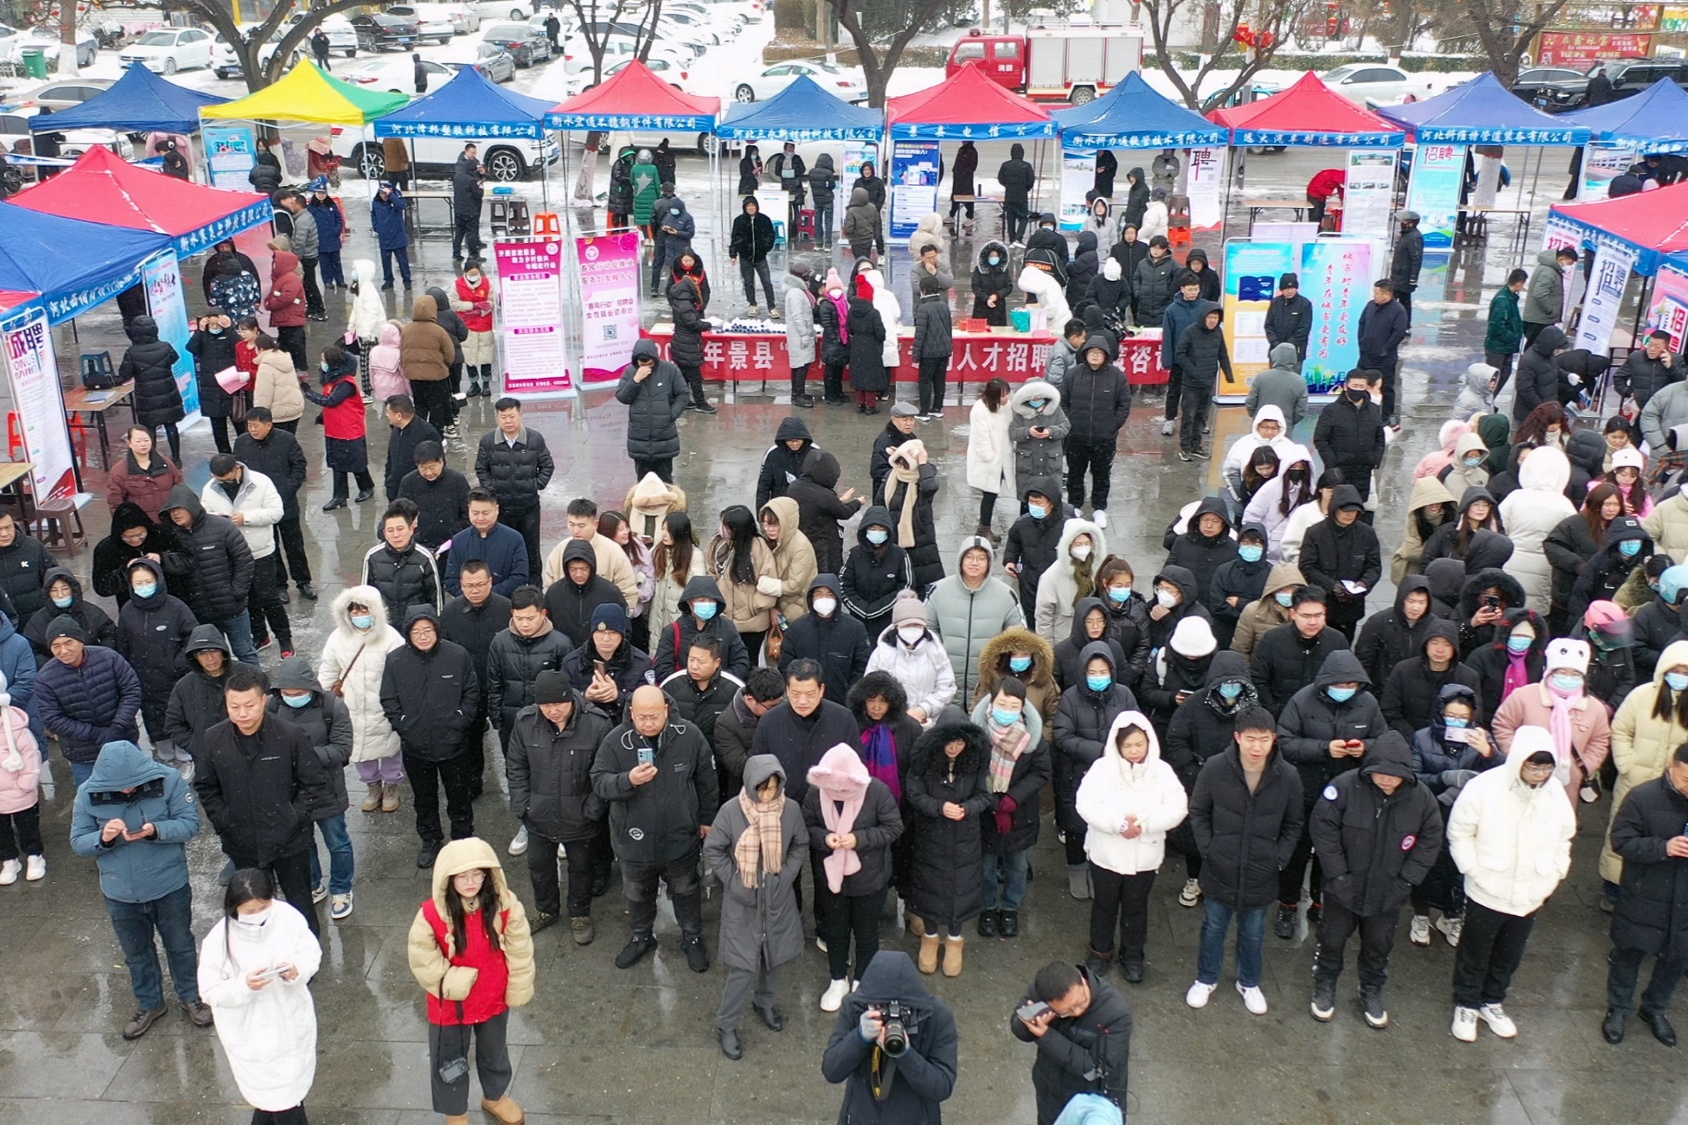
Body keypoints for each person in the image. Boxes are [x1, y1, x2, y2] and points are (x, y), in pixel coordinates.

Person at [70, 738, 210, 1037]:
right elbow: (79, 842)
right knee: (136, 954)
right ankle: (150, 1003)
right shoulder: (87, 794)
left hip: (169, 886)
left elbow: (190, 824)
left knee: (181, 946)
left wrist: (156, 830)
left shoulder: (170, 780)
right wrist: (103, 838)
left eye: (133, 786)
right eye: (120, 789)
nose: (127, 792)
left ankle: (191, 997)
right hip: (120, 893)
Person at [1446, 726, 1576, 1042]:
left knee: (1510, 952)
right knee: (1475, 951)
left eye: (1546, 767)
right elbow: (1460, 832)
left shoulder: (1555, 793)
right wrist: (1473, 869)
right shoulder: (1484, 787)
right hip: (1487, 889)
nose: (1540, 773)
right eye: (1534, 766)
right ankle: (1466, 1003)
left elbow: (1565, 835)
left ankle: (1492, 1000)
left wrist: (1555, 872)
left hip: (1531, 893)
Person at [1308, 730, 1443, 1028]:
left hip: (1388, 891)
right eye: (1380, 772)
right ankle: (1325, 984)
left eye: (1394, 775)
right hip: (1343, 888)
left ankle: (1371, 989)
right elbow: (1323, 828)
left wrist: (1406, 880)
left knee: (1379, 944)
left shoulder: (1421, 800)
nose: (1386, 779)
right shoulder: (1343, 787)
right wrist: (1338, 874)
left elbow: (1430, 840)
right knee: (1331, 939)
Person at [406, 838, 533, 1125]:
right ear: (448, 879)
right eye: (462, 876)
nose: (470, 882)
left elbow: (520, 947)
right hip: (450, 1006)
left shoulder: (505, 905)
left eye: (477, 874)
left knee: (495, 1052)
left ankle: (495, 1096)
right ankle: (456, 1113)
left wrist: (518, 985)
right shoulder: (430, 914)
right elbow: (422, 958)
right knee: (448, 1062)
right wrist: (451, 981)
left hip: (493, 996)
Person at [1185, 705, 1302, 1015]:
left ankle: (1249, 982)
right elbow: (1198, 811)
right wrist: (1209, 849)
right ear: (1237, 737)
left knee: (1253, 931)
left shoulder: (1287, 776)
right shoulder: (1215, 768)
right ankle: (1206, 978)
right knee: (1213, 927)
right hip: (1220, 866)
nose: (1257, 747)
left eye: (1264, 739)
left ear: (1274, 739)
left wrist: (1279, 859)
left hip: (1262, 871)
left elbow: (1294, 824)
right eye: (1250, 738)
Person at [197, 667, 330, 936]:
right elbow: (205, 786)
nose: (242, 714)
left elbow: (314, 783)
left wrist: (293, 816)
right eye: (234, 706)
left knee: (300, 905)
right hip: (242, 841)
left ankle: (306, 958)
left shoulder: (290, 735)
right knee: (251, 907)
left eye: (249, 705)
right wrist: (224, 820)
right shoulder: (213, 738)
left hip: (290, 841)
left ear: (263, 701)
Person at [593, 685, 718, 972]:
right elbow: (599, 782)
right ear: (632, 713)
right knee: (637, 893)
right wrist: (627, 780)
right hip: (634, 839)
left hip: (680, 836)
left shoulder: (689, 736)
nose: (648, 723)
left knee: (687, 890)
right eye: (642, 717)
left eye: (654, 716)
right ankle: (641, 936)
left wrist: (706, 819)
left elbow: (707, 781)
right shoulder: (616, 742)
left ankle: (692, 937)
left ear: (666, 710)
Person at [703, 753, 806, 1061]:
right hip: (743, 902)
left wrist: (785, 876)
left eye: (772, 788)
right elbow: (714, 848)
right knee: (742, 968)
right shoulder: (732, 811)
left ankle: (764, 1002)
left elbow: (800, 844)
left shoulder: (791, 810)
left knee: (775, 959)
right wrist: (734, 882)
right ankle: (727, 1023)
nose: (766, 795)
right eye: (761, 788)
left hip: (777, 901)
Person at [197, 869, 321, 1125]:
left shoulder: (287, 917)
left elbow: (310, 951)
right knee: (284, 1104)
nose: (257, 915)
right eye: (249, 911)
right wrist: (244, 986)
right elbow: (209, 991)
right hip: (252, 1037)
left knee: (279, 1100)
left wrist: (297, 970)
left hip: (292, 1027)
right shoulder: (218, 941)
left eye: (263, 907)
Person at [1073, 710, 1185, 982]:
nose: (1134, 751)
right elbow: (1085, 803)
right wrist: (1118, 824)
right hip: (1106, 853)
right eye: (1127, 745)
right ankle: (1100, 951)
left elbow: (1178, 807)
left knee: (1136, 906)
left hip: (1144, 854)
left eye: (1139, 744)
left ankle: (1133, 955)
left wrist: (1144, 825)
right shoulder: (1101, 769)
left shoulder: (1162, 771)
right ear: (1117, 745)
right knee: (1104, 904)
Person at [506, 667, 611, 942]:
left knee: (582, 868)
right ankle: (546, 910)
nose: (552, 711)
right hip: (538, 815)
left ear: (571, 699)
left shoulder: (597, 724)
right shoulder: (525, 722)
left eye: (558, 704)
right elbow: (516, 766)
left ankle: (579, 914)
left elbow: (605, 772)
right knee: (539, 867)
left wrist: (592, 810)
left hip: (581, 817)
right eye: (546, 705)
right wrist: (523, 805)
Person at [804, 743, 903, 1013]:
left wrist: (859, 839)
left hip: (869, 877)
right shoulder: (816, 794)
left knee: (867, 933)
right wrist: (825, 838)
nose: (838, 793)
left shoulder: (877, 791)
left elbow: (893, 827)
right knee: (835, 932)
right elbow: (808, 825)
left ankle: (863, 979)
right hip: (831, 878)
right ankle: (838, 979)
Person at [1602, 740, 1688, 1045]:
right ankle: (1618, 1008)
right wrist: (1663, 847)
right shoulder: (1643, 797)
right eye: (1686, 779)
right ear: (1671, 768)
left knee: (1676, 960)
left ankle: (1654, 1009)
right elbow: (1621, 841)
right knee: (1629, 955)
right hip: (1644, 896)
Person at [382, 606, 480, 869]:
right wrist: (404, 726)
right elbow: (388, 699)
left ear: (436, 629)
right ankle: (431, 839)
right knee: (423, 798)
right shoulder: (395, 661)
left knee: (459, 796)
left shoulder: (457, 655)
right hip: (416, 747)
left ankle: (462, 840)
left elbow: (472, 693)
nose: (423, 636)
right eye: (416, 631)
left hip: (454, 744)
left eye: (428, 630)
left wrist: (460, 722)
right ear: (408, 633)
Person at [821, 950, 958, 1123]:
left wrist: (905, 1054)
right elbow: (832, 1071)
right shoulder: (855, 1007)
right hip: (862, 1117)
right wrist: (860, 1037)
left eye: (901, 1013)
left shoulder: (936, 1017)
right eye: (881, 1008)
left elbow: (942, 1087)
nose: (890, 1019)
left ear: (914, 1005)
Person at [267, 655, 354, 922]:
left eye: (298, 692)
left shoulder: (333, 707)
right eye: (287, 692)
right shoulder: (272, 707)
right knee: (303, 845)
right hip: (291, 793)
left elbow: (342, 749)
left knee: (337, 842)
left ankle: (341, 889)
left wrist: (301, 756)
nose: (292, 696)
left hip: (327, 790)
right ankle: (314, 883)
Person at [905, 715, 992, 976]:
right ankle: (930, 937)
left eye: (959, 743)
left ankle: (955, 940)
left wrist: (966, 808)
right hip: (930, 836)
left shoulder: (975, 763)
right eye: (949, 742)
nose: (954, 748)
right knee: (930, 888)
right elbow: (915, 793)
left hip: (965, 838)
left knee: (962, 888)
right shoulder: (924, 761)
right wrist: (939, 807)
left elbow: (984, 795)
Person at [1491, 638, 1612, 811]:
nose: (1568, 678)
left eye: (1575, 674)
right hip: (1522, 776)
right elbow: (1503, 725)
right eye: (1562, 672)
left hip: (1567, 784)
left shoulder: (1594, 708)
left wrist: (1584, 767)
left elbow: (1600, 740)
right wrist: (1517, 755)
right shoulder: (1524, 696)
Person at [1011, 959, 1133, 1125]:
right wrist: (1031, 1019)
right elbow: (1018, 1029)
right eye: (1065, 1011)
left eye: (1079, 1003)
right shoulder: (1043, 989)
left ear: (1083, 981)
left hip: (1094, 1103)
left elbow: (1095, 1069)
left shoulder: (1115, 1013)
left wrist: (1046, 1036)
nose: (1076, 1011)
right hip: (1050, 1091)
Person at [34, 614, 141, 787]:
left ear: (81, 640)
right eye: (56, 646)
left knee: (141, 790)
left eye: (68, 642)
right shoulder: (45, 679)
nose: (63, 650)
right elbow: (52, 719)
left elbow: (131, 691)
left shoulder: (109, 658)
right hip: (83, 755)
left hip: (123, 740)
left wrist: (117, 726)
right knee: (96, 802)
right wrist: (94, 734)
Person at [200, 454, 290, 658]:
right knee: (245, 598)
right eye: (218, 479)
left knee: (269, 597)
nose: (223, 483)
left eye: (227, 478)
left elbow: (276, 512)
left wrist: (246, 518)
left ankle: (285, 640)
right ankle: (260, 635)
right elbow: (204, 516)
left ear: (237, 469)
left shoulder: (261, 482)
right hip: (231, 555)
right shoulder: (210, 488)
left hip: (260, 551)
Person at [234, 409, 313, 601]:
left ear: (269, 425)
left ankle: (303, 581)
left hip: (285, 503)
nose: (252, 430)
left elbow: (299, 466)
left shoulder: (286, 440)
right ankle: (279, 585)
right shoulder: (242, 442)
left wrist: (287, 488)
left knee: (294, 545)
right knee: (271, 547)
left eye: (256, 425)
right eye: (249, 425)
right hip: (258, 508)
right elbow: (238, 470)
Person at [617, 339, 691, 485]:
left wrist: (671, 415)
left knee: (665, 482)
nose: (645, 366)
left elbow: (683, 394)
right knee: (643, 484)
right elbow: (622, 397)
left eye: (648, 362)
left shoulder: (670, 370)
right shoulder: (630, 372)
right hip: (639, 437)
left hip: (664, 436)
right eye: (641, 363)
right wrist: (636, 380)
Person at [120, 316, 185, 465]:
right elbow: (174, 358)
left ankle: (152, 458)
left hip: (146, 395)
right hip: (167, 391)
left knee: (149, 429)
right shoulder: (165, 346)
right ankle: (176, 457)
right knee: (171, 426)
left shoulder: (132, 352)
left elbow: (125, 374)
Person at [667, 260, 717, 415]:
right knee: (695, 377)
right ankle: (700, 403)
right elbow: (692, 324)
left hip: (680, 344)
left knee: (684, 376)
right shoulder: (686, 306)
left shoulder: (678, 301)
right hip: (687, 346)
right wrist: (708, 325)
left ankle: (681, 399)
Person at [185, 315, 240, 456]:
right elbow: (191, 347)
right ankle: (225, 454)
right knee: (217, 426)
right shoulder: (203, 337)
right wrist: (200, 331)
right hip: (210, 389)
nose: (215, 328)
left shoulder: (230, 336)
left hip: (231, 385)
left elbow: (240, 346)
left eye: (218, 325)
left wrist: (229, 329)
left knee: (239, 421)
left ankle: (243, 451)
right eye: (212, 325)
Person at [1356, 282, 1410, 426]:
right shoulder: (1370, 305)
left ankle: (1387, 414)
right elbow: (1362, 323)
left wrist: (1385, 349)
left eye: (1377, 293)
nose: (1375, 296)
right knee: (1361, 382)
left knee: (1386, 386)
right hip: (1366, 355)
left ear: (1387, 294)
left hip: (1384, 359)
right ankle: (1361, 411)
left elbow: (1398, 333)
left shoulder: (1398, 310)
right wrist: (1362, 342)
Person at [382, 396, 440, 503]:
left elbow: (435, 467)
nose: (386, 415)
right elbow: (391, 458)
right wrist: (389, 481)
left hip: (416, 495)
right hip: (395, 491)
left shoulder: (427, 433)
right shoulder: (397, 429)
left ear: (399, 415)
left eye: (388, 412)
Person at [913, 272, 953, 420]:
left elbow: (920, 335)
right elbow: (949, 329)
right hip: (944, 351)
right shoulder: (944, 306)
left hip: (928, 353)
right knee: (939, 380)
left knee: (925, 381)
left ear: (923, 290)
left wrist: (916, 356)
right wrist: (949, 347)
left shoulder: (923, 308)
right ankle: (937, 408)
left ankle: (923, 411)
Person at [729, 195, 779, 317]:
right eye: (748, 206)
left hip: (760, 257)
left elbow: (771, 236)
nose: (751, 208)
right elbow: (735, 238)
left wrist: (765, 248)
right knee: (748, 282)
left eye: (753, 206)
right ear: (745, 208)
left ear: (757, 207)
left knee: (766, 282)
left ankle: (771, 307)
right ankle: (752, 304)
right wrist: (733, 254)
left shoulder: (764, 220)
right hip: (745, 257)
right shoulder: (739, 221)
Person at [278, 194, 325, 321]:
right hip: (311, 254)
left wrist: (295, 259)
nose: (291, 206)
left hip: (307, 257)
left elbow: (299, 243)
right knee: (308, 283)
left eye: (293, 204)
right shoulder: (305, 217)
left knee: (310, 284)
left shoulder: (302, 221)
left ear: (298, 205)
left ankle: (319, 309)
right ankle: (313, 307)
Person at [1522, 246, 1579, 347]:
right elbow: (1539, 293)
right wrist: (1550, 310)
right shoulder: (1548, 272)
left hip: (1539, 318)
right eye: (1569, 264)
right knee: (1535, 347)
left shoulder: (1550, 269)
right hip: (1539, 319)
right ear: (1562, 259)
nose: (1569, 267)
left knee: (1535, 346)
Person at [1485, 268, 1529, 390]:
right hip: (1498, 347)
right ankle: (1486, 403)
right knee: (1493, 379)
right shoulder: (1503, 300)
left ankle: (1491, 402)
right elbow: (1496, 327)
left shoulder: (1510, 297)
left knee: (1504, 374)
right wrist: (1514, 337)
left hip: (1505, 347)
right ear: (1519, 283)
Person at [370, 182, 412, 290]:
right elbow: (373, 214)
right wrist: (376, 227)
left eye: (385, 193)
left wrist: (391, 196)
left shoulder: (396, 199)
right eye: (381, 193)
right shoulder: (376, 202)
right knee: (386, 262)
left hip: (398, 236)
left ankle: (407, 281)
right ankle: (388, 281)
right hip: (384, 237)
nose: (383, 196)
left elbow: (402, 206)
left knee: (403, 261)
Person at [306, 180, 346, 292]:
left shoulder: (332, 205)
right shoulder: (311, 207)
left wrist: (337, 230)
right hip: (321, 239)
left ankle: (340, 280)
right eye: (319, 193)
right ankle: (327, 281)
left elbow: (339, 219)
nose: (321, 195)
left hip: (333, 238)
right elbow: (309, 224)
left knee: (336, 261)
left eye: (323, 193)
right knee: (325, 263)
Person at [1263, 273, 1312, 360]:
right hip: (1276, 351)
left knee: (1293, 374)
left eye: (1292, 288)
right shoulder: (1275, 303)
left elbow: (1303, 329)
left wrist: (1287, 346)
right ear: (1282, 289)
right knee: (1274, 374)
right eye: (1287, 288)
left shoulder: (1304, 304)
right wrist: (1276, 344)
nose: (1290, 291)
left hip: (1295, 352)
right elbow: (1269, 326)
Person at [450, 144, 484, 262]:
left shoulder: (458, 177)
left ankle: (456, 252)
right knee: (472, 233)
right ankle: (473, 254)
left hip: (459, 209)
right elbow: (478, 194)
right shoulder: (471, 181)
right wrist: (480, 188)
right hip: (470, 210)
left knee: (459, 231)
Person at [998, 142, 1036, 246]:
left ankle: (1011, 238)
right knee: (1023, 218)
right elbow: (1031, 181)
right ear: (1022, 153)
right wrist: (1025, 189)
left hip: (1009, 195)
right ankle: (1018, 238)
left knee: (1010, 218)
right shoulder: (1026, 166)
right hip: (1021, 196)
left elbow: (1001, 179)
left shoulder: (1005, 165)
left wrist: (1008, 186)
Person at [1390, 210, 1424, 321]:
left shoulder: (1414, 237)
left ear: (1411, 223)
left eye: (1404, 221)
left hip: (1404, 277)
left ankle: (1400, 324)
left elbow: (1416, 258)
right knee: (1405, 301)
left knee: (1393, 300)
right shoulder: (1406, 235)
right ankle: (1405, 324)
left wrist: (1413, 279)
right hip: (1399, 275)